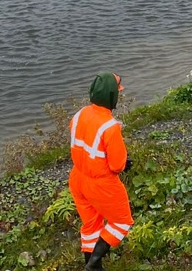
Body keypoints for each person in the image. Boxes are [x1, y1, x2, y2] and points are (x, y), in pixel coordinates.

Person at [69, 72, 134, 270]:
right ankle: (94, 263)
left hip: (78, 177)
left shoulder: (80, 114)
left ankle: (91, 266)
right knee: (122, 222)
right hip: (101, 184)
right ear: (112, 96)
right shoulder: (110, 127)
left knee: (91, 225)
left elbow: (84, 143)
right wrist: (125, 164)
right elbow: (116, 165)